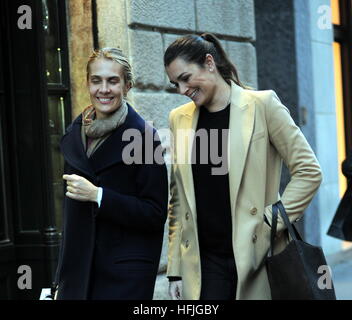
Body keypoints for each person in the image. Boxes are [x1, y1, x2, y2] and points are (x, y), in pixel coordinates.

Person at [164, 33, 322, 300]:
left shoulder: (262, 105)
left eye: (186, 78)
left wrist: (271, 221)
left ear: (210, 63)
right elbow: (178, 200)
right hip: (204, 264)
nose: (182, 90)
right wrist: (175, 270)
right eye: (174, 84)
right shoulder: (179, 119)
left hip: (256, 255)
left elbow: (309, 171)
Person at [54, 47, 168, 300]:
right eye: (96, 80)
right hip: (78, 273)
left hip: (123, 277)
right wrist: (60, 275)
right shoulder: (75, 132)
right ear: (87, 83)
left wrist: (99, 196)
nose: (103, 89)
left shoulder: (144, 138)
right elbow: (70, 217)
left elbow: (155, 212)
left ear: (127, 86)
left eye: (112, 81)